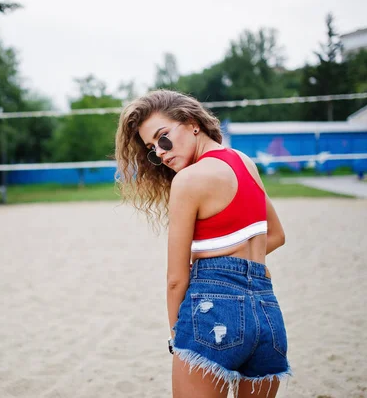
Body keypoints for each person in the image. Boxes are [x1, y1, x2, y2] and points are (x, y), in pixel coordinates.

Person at [115, 90, 291, 398]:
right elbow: (276, 234)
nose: (161, 152)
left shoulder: (189, 180)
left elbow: (175, 279)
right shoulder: (245, 162)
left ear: (192, 122)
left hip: (212, 311)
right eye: (152, 148)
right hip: (267, 312)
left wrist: (176, 338)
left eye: (163, 137)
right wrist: (243, 269)